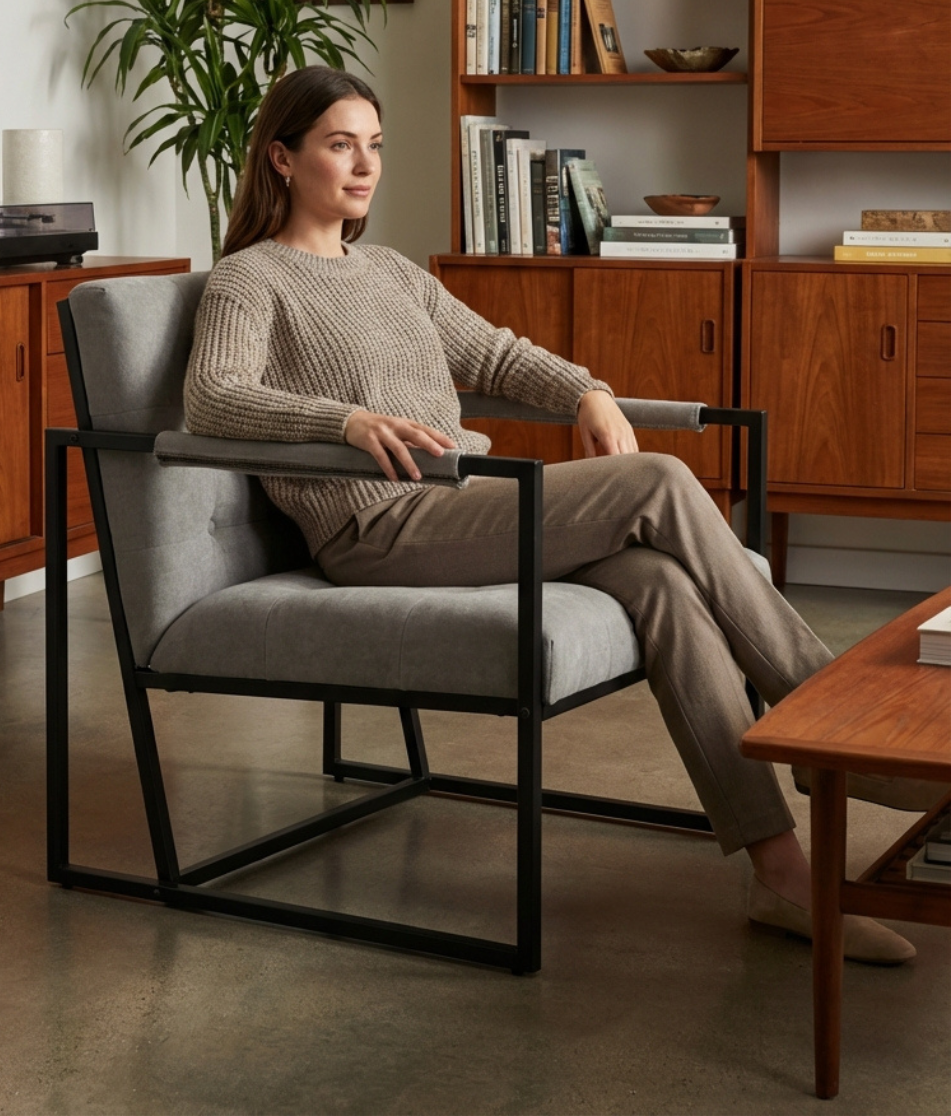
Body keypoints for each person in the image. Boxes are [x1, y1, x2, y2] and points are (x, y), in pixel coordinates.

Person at [186, 65, 928, 965]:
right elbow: (215, 399)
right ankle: (831, 721)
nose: (364, 165)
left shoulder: (389, 272)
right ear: (281, 157)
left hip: (461, 505)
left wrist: (588, 391)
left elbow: (495, 356)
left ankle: (780, 877)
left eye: (374, 145)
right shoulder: (248, 280)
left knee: (659, 583)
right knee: (653, 481)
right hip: (376, 531)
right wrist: (340, 419)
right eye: (340, 145)